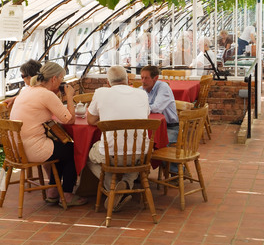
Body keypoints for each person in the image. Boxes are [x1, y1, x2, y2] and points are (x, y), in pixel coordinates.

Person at [9, 62, 87, 207]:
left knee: (60, 148)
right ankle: (68, 195)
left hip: (16, 149)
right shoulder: (45, 94)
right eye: (62, 78)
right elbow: (69, 119)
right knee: (72, 149)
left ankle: (53, 191)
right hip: (32, 149)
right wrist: (69, 96)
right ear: (54, 79)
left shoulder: (27, 90)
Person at [87, 65, 150, 212]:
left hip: (112, 155)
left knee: (90, 157)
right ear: (128, 80)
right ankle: (126, 184)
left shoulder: (101, 92)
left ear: (108, 83)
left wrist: (107, 121)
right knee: (136, 155)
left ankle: (113, 190)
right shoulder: (141, 94)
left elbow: (90, 120)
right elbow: (145, 118)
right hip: (139, 153)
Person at [140, 65, 179, 173]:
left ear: (155, 78)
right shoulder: (142, 90)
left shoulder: (163, 87)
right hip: (152, 127)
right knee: (138, 143)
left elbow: (156, 108)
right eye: (141, 77)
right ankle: (139, 174)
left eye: (146, 78)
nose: (143, 81)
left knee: (160, 146)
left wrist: (141, 107)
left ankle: (175, 171)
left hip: (170, 127)